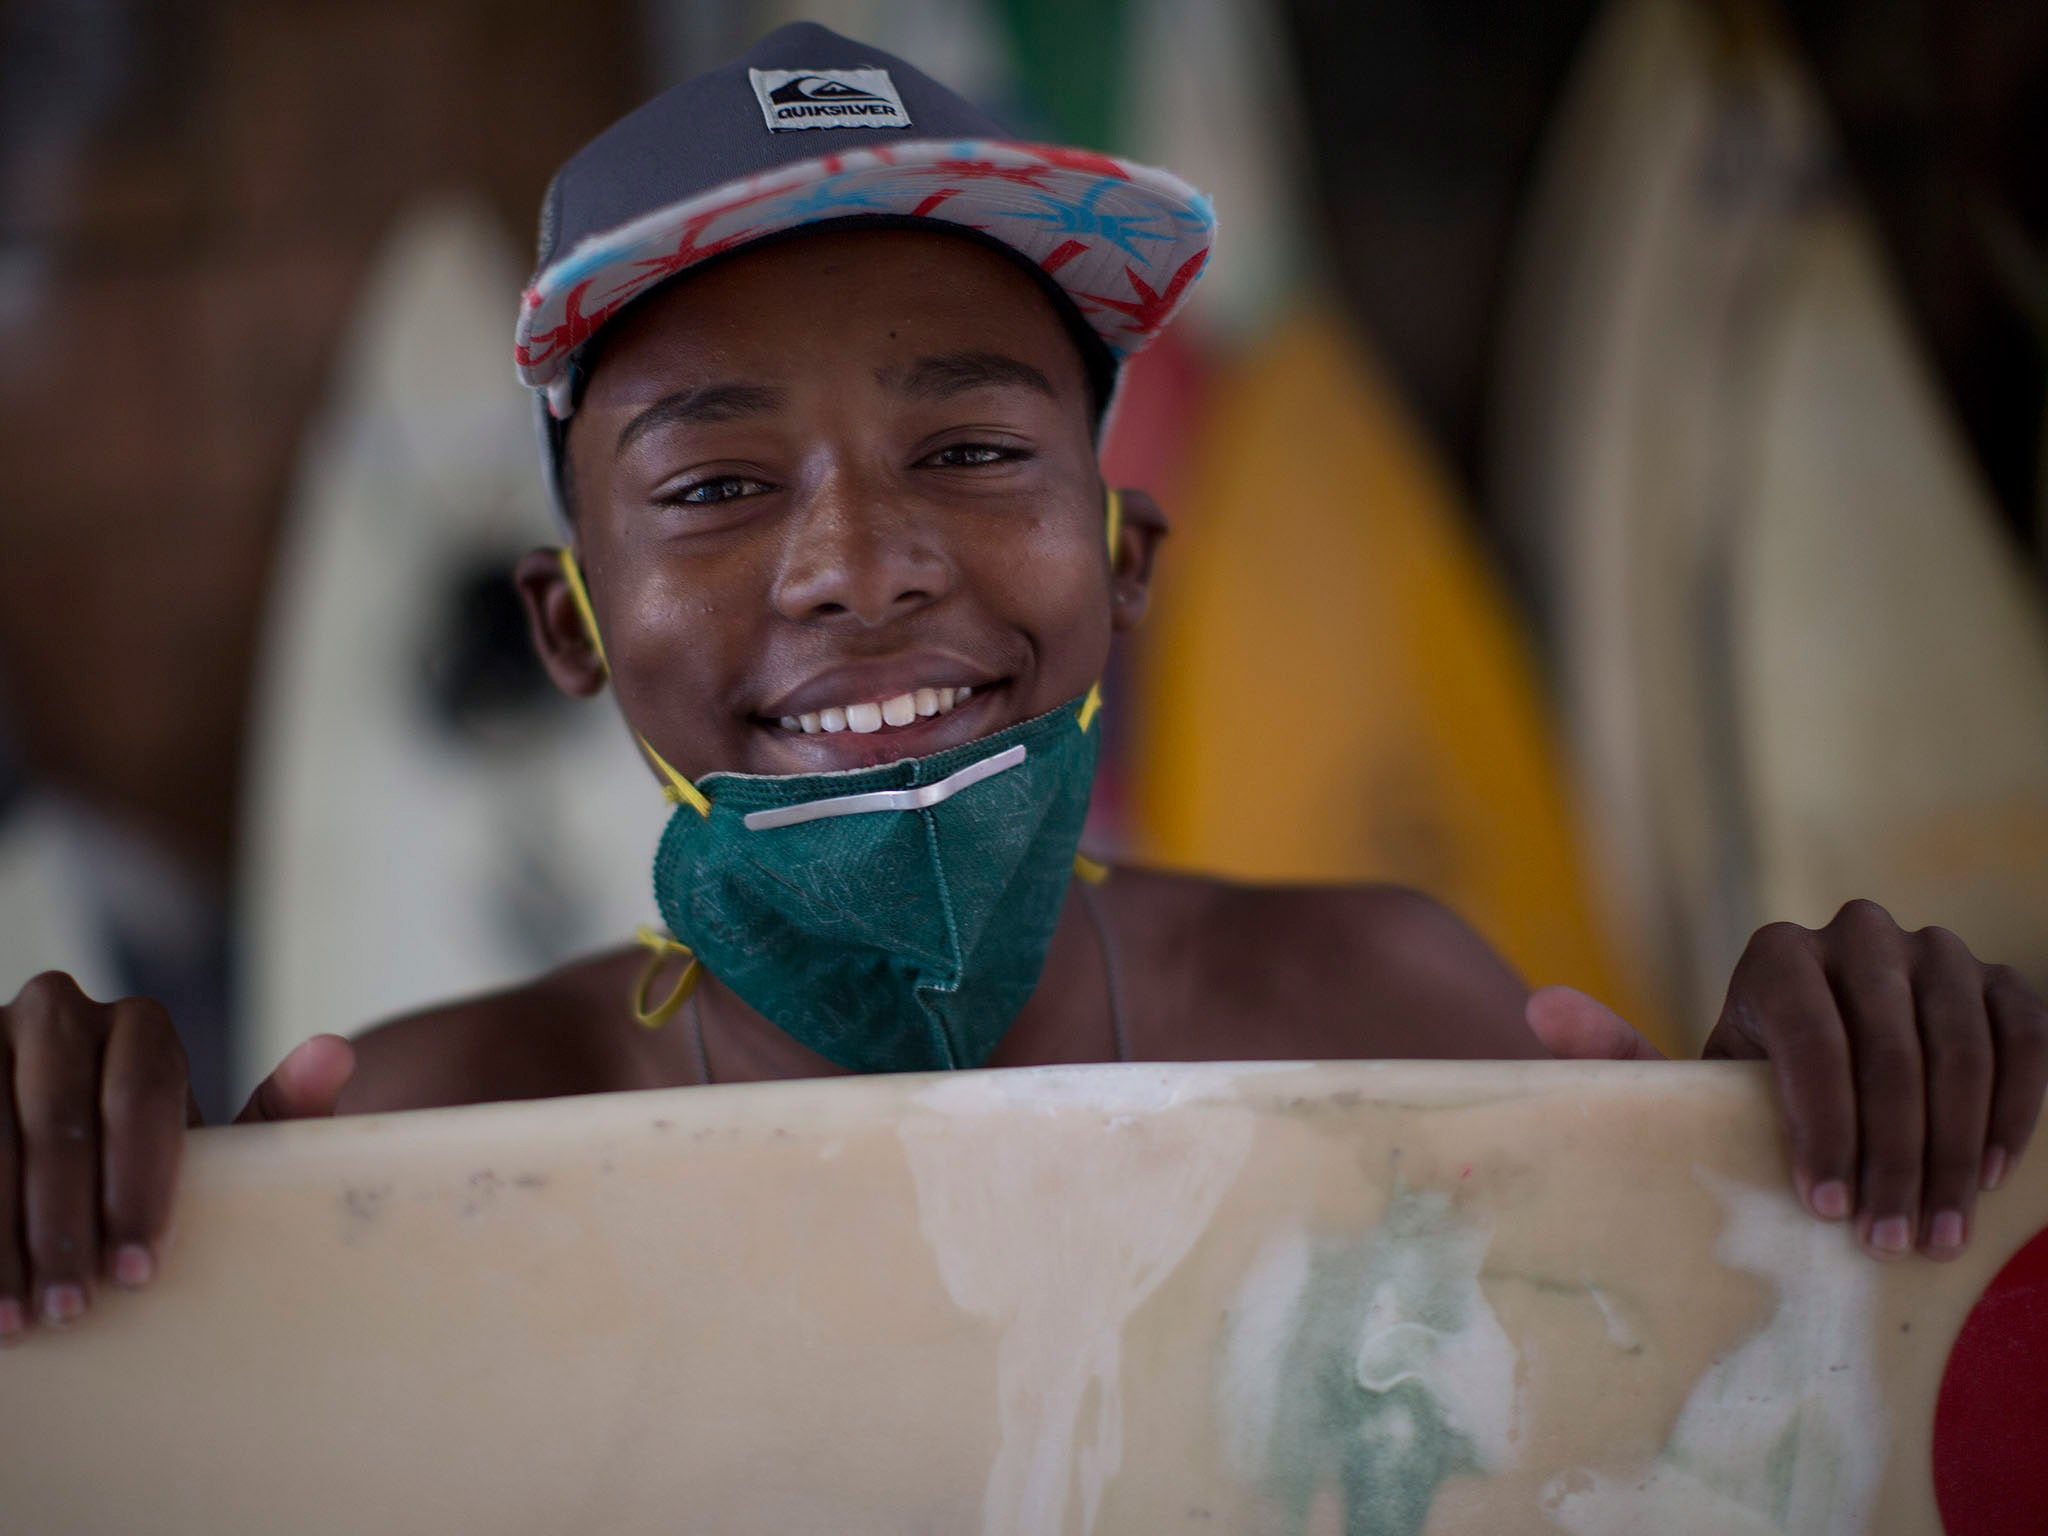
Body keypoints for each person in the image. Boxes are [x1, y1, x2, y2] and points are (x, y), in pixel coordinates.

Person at [1, 22, 2040, 1343]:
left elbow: (1658, 1412)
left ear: (1126, 559)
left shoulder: (1390, 1018)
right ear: (571, 628)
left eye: (974, 452)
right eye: (713, 484)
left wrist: (1817, 1134)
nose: (859, 563)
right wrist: (138, 1264)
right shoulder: (433, 1140)